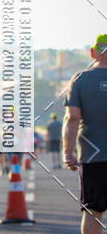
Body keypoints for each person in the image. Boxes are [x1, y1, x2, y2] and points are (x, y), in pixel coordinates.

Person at [63, 34, 107, 234]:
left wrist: (68, 152)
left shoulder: (80, 79)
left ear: (93, 52)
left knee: (93, 211)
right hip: (93, 155)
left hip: (92, 155)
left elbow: (72, 118)